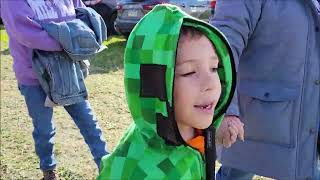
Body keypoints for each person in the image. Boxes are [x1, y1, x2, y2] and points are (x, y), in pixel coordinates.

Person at [97, 4, 244, 180]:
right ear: (155, 86)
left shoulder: (185, 125)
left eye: (214, 68)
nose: (211, 83)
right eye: (190, 72)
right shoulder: (147, 173)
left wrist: (215, 132)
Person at [210, 0, 320, 179]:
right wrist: (225, 108)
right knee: (235, 174)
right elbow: (222, 48)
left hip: (308, 111)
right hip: (253, 120)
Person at [0, 0, 108, 179]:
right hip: (33, 76)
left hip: (67, 71)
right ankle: (48, 170)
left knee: (89, 122)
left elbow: (83, 14)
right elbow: (27, 34)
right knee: (44, 129)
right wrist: (70, 41)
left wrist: (79, 35)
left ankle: (107, 167)